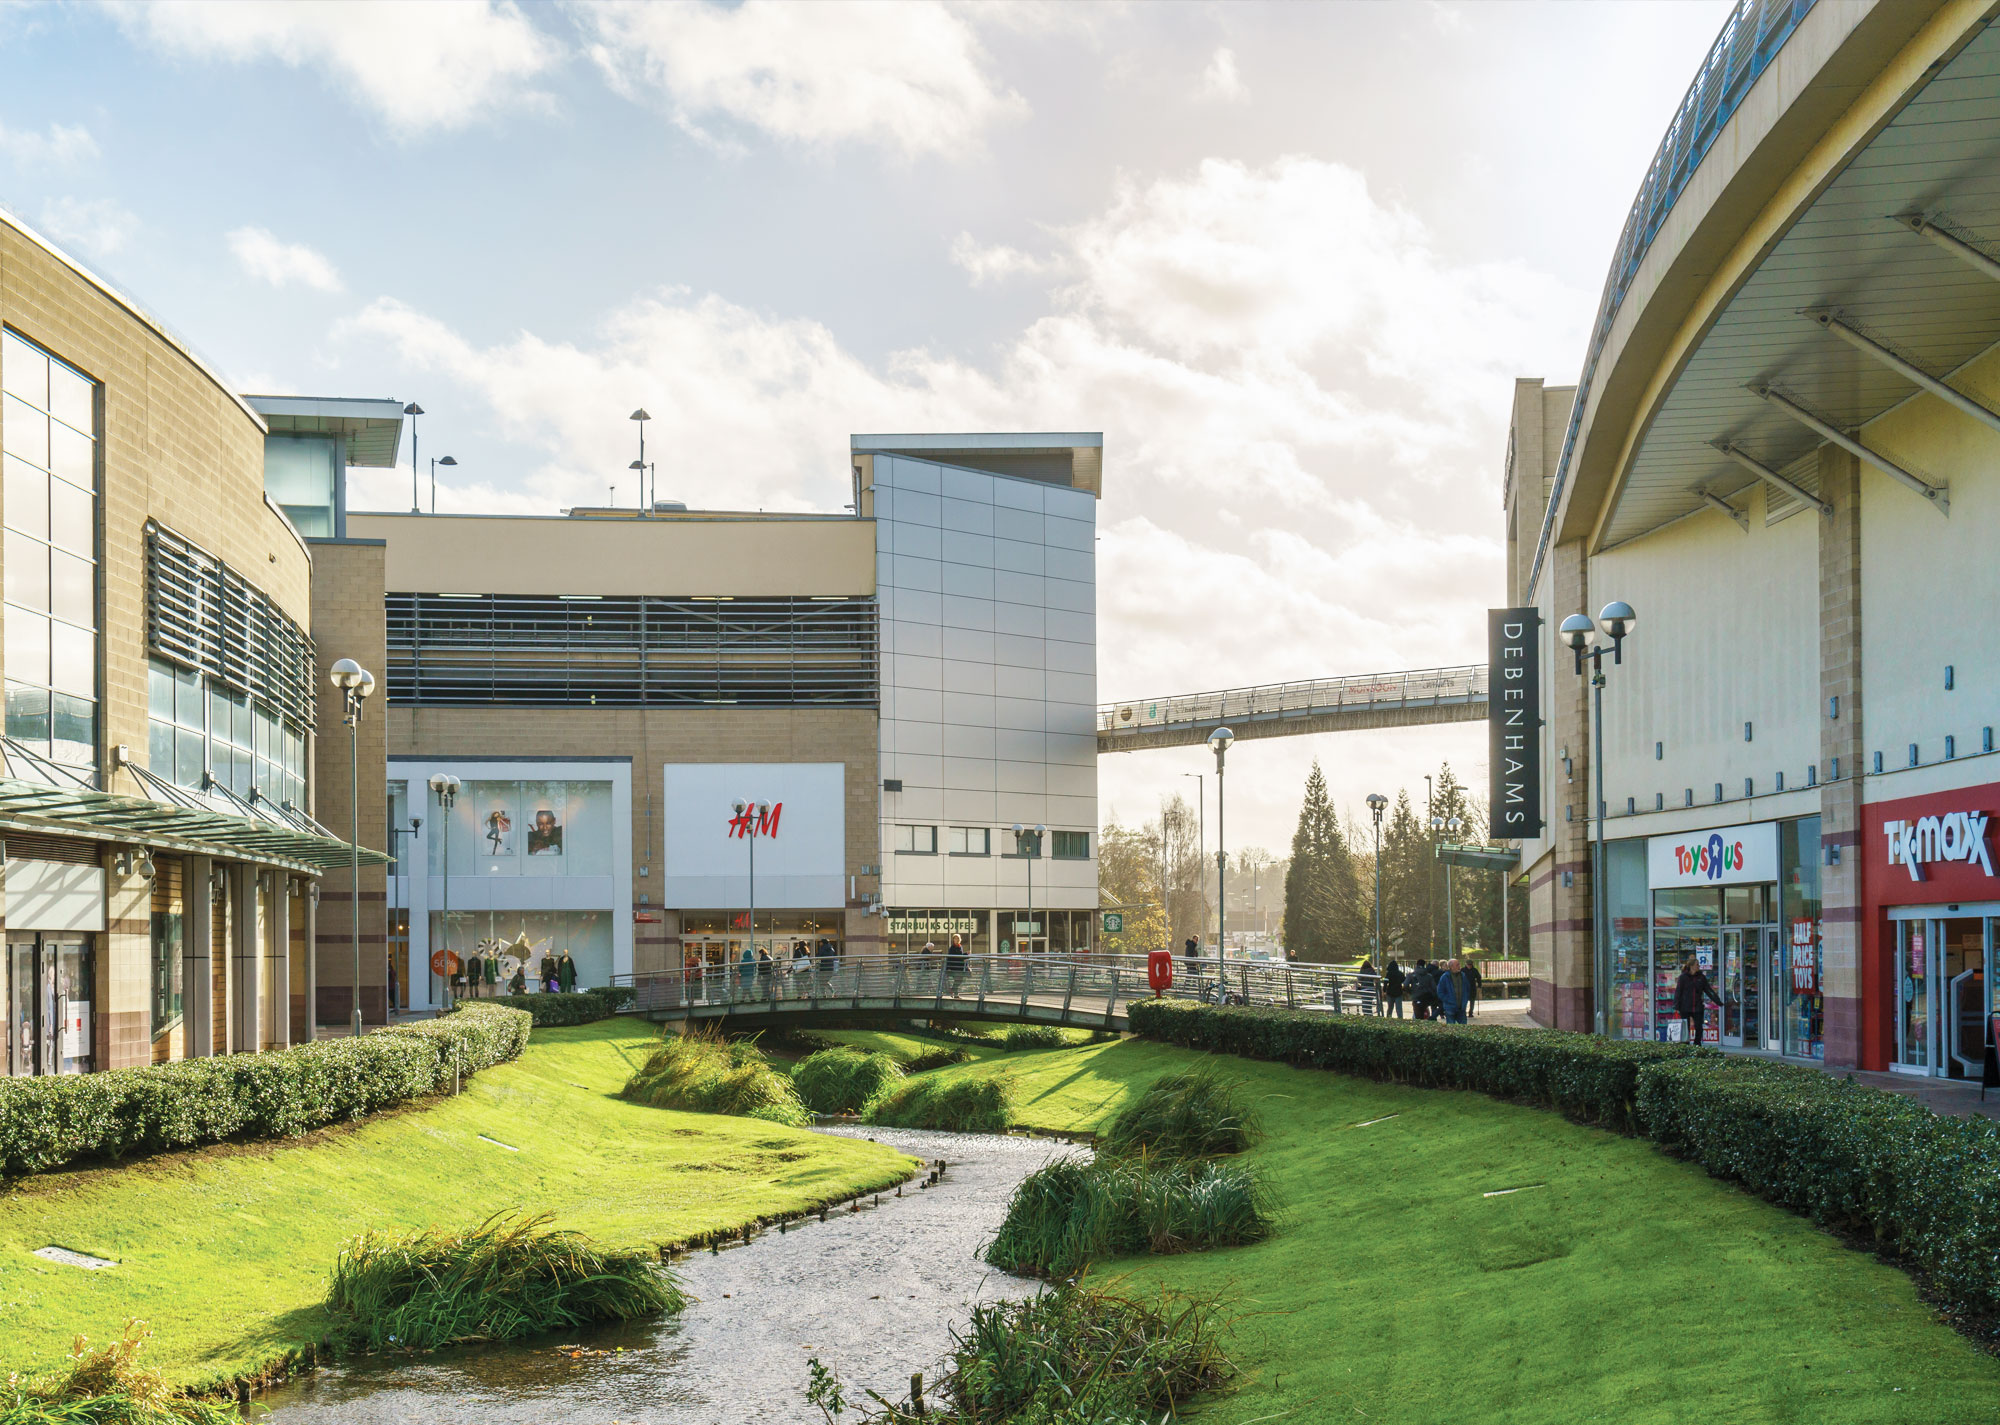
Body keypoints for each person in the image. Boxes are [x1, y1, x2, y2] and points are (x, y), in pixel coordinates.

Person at [1674, 956, 1721, 1046]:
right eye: (1697, 964)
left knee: (1699, 1027)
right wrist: (1676, 1005)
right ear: (1691, 966)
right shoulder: (1683, 977)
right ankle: (1685, 1044)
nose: (1698, 966)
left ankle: (1697, 1044)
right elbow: (1678, 991)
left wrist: (1717, 1001)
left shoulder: (1701, 977)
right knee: (1685, 1027)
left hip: (1697, 1006)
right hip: (1685, 1006)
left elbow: (1708, 990)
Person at [1436, 957, 1468, 1024]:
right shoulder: (1445, 977)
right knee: (1451, 1028)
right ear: (1451, 967)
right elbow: (1440, 991)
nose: (1459, 966)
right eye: (1457, 965)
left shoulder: (1463, 975)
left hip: (1461, 1007)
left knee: (1464, 1027)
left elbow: (1467, 989)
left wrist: (1465, 1000)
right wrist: (1448, 1000)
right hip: (1450, 1007)